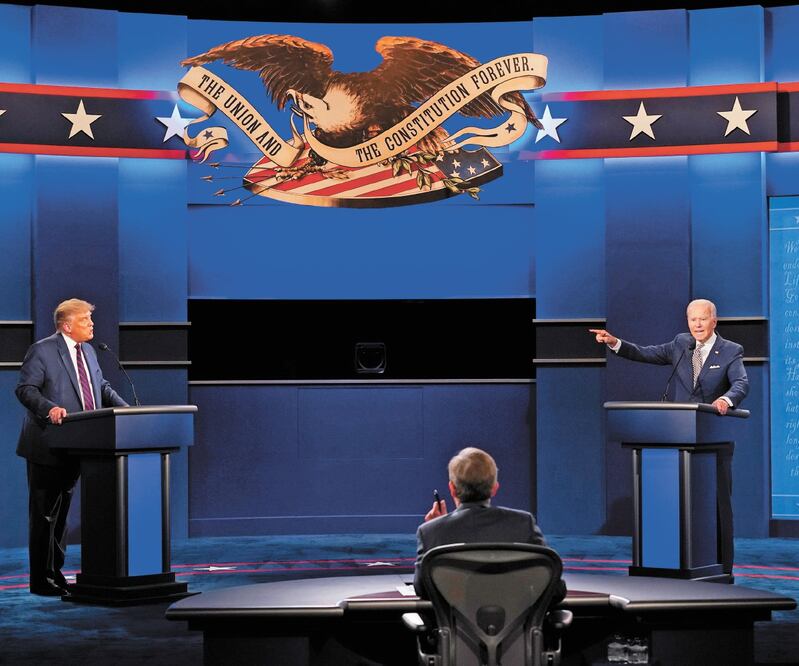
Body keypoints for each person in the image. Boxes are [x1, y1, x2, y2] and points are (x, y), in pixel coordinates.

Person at [590, 298, 749, 576]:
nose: (697, 324)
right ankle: (671, 565)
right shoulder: (680, 344)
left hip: (713, 441)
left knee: (715, 505)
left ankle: (721, 566)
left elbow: (741, 383)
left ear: (715, 320)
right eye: (692, 319)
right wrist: (614, 342)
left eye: (702, 319)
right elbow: (644, 353)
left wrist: (726, 399)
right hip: (676, 438)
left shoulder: (730, 351)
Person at [16, 298, 128, 596]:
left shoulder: (89, 351)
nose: (91, 324)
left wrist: (126, 409)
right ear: (67, 325)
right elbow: (25, 389)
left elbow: (100, 387)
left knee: (62, 516)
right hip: (48, 444)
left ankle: (57, 573)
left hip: (80, 443)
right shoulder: (42, 350)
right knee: (45, 515)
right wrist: (49, 408)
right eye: (85, 320)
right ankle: (41, 580)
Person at [415, 447, 564, 600]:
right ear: (494, 488)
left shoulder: (430, 531)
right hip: (515, 623)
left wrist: (437, 530)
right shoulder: (523, 524)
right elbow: (555, 589)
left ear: (452, 489)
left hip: (454, 624)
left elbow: (423, 589)